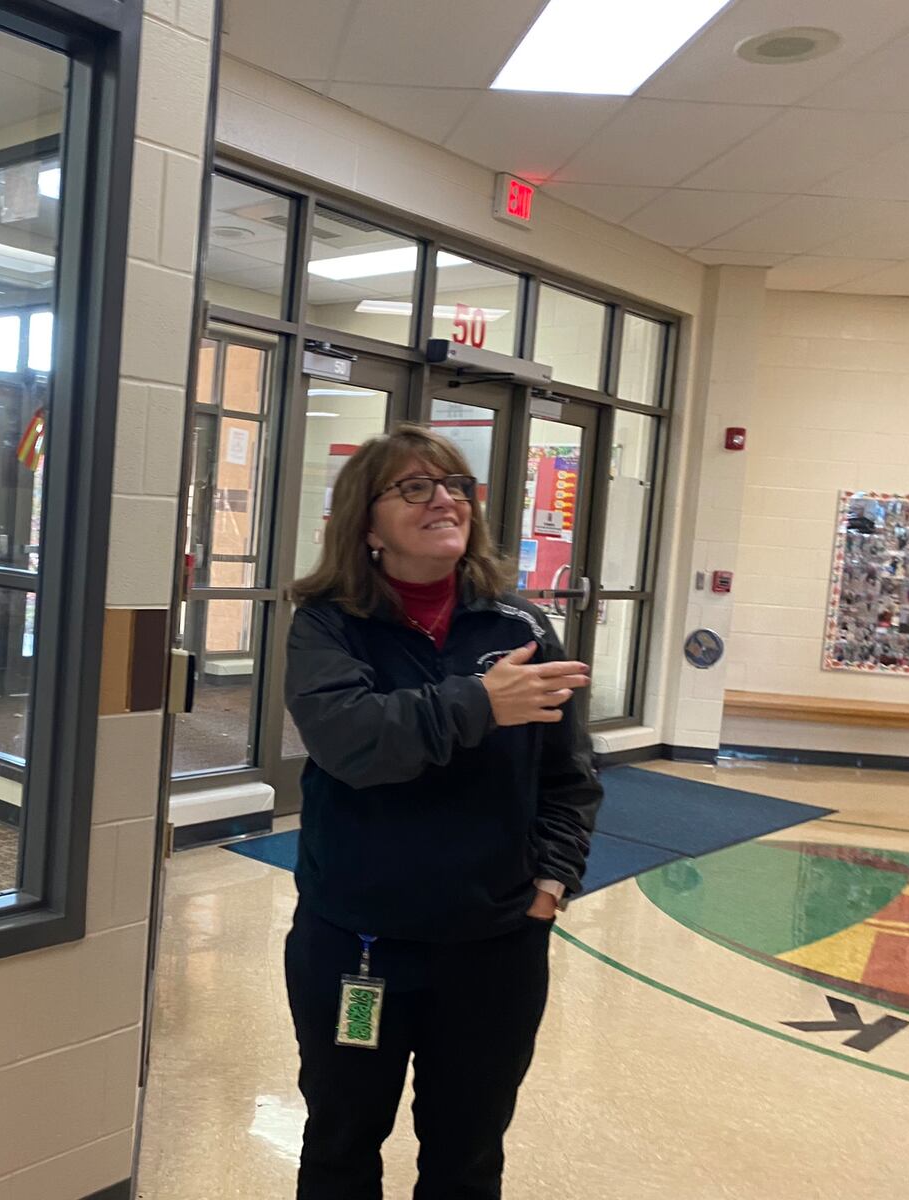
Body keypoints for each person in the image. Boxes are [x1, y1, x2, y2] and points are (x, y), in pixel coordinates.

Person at [282, 424, 602, 1200]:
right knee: (340, 1144)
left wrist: (551, 886)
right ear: (367, 522)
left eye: (456, 484)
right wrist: (480, 701)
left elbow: (569, 777)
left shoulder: (518, 627)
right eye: (415, 487)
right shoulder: (326, 625)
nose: (445, 500)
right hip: (356, 945)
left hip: (493, 948)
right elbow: (353, 743)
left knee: (467, 1155)